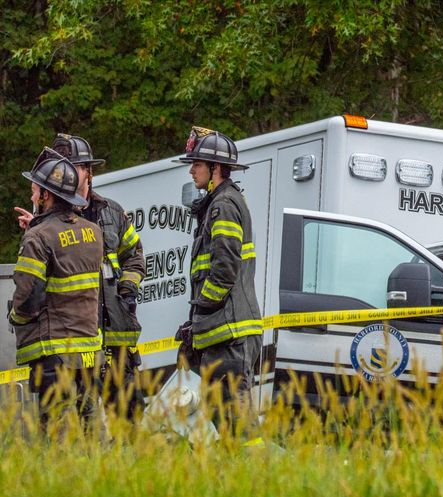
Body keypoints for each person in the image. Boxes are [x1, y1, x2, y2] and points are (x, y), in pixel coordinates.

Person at [16, 134, 146, 420]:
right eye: (64, 167)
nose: (70, 173)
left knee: (127, 416)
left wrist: (125, 291)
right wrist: (36, 227)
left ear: (89, 171)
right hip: (79, 338)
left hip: (114, 332)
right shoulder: (49, 224)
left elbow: (135, 255)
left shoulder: (111, 213)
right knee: (84, 423)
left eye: (75, 166)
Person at [173, 127, 262, 431]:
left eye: (197, 164)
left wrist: (201, 312)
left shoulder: (223, 205)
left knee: (237, 425)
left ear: (215, 169)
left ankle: (253, 474)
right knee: (219, 423)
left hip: (230, 334)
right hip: (223, 332)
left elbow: (224, 270)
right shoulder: (217, 204)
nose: (191, 170)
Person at [9, 148, 104, 429]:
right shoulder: (93, 232)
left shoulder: (37, 238)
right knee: (92, 427)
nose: (32, 197)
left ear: (46, 196)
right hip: (88, 350)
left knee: (58, 431)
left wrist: (16, 317)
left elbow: (27, 298)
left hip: (55, 352)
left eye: (35, 191)